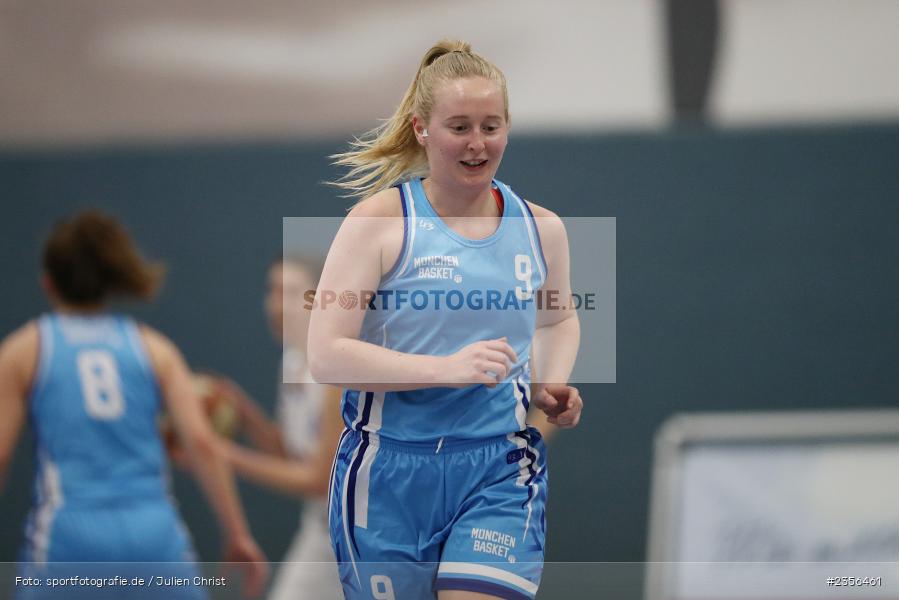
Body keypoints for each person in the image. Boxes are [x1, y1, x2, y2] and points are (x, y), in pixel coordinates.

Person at [308, 40, 583, 600]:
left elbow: (558, 319)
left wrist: (551, 381)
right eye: (459, 126)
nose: (478, 143)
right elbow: (325, 353)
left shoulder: (542, 227)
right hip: (388, 471)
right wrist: (443, 368)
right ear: (421, 129)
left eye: (492, 125)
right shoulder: (380, 221)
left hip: (498, 465)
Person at [0, 210, 268, 599]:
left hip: (69, 533)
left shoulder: (25, 350)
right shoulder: (153, 348)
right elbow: (203, 443)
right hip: (152, 530)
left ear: (48, 284)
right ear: (109, 281)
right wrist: (238, 533)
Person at [217, 257, 344, 599]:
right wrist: (246, 415)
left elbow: (320, 480)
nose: (276, 303)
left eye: (289, 292)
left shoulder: (336, 370)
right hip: (319, 532)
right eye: (271, 290)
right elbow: (289, 456)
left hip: (362, 538)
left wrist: (223, 456)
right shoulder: (291, 360)